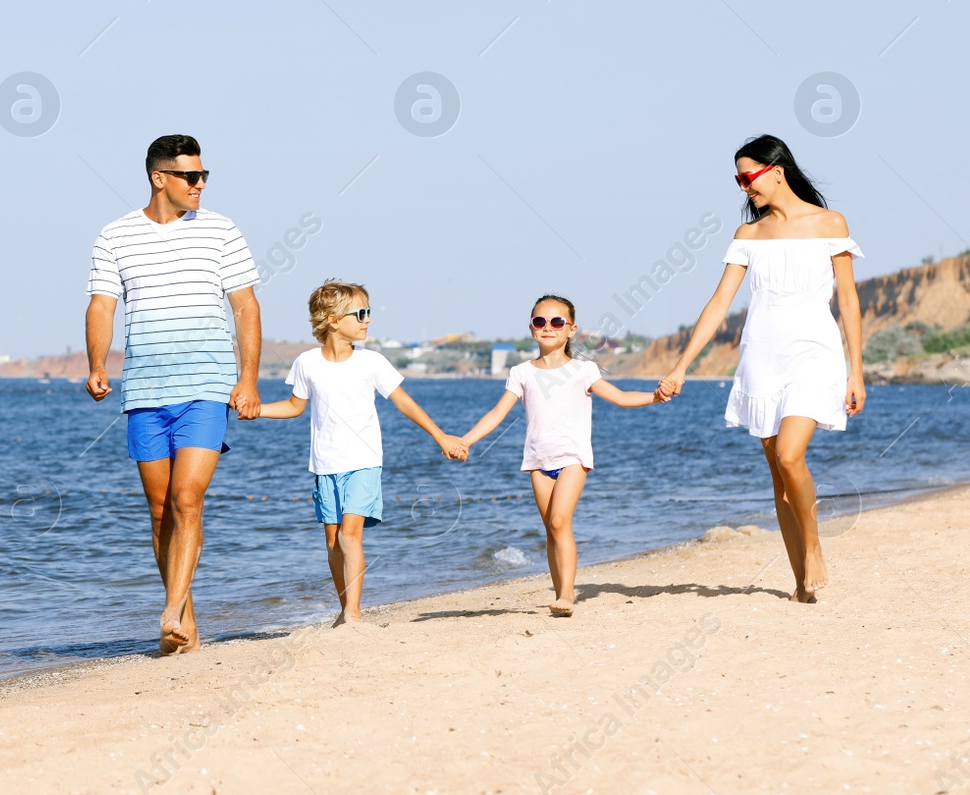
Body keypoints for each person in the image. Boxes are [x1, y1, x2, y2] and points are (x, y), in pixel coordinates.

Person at [657, 134, 865, 604]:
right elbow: (718, 305)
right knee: (779, 475)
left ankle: (814, 546)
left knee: (791, 455)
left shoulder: (830, 223)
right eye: (738, 178)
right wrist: (682, 365)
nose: (742, 187)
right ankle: (800, 584)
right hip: (761, 356)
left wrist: (857, 371)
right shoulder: (748, 235)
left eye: (746, 176)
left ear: (776, 170)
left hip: (815, 351)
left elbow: (849, 300)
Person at [85, 135, 262, 654]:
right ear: (160, 178)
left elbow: (246, 307)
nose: (200, 184)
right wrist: (97, 363)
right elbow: (101, 306)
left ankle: (169, 609)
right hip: (144, 388)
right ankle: (185, 626)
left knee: (188, 498)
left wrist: (247, 378)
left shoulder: (221, 231)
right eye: (191, 176)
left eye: (204, 175)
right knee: (161, 509)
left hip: (205, 386)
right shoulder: (115, 236)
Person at [254, 281, 467, 626]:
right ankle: (344, 609)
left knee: (349, 533)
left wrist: (441, 437)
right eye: (361, 313)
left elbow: (404, 403)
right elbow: (294, 407)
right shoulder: (307, 363)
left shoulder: (372, 362)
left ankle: (353, 612)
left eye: (368, 312)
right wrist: (257, 410)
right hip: (325, 465)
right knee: (333, 541)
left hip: (364, 462)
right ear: (334, 319)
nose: (368, 319)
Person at [461, 295, 666, 616]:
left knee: (560, 521)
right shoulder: (521, 372)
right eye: (540, 321)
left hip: (573, 458)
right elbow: (497, 413)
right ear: (531, 328)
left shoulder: (583, 370)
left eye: (556, 322)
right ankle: (560, 593)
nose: (548, 327)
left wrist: (656, 396)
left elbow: (621, 397)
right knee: (552, 530)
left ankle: (568, 594)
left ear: (571, 329)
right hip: (537, 462)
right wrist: (466, 440)